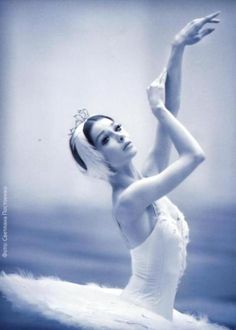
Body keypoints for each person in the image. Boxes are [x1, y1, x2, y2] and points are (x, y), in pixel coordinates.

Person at [0, 11, 228, 330]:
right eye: (107, 138)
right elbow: (194, 155)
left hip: (159, 316)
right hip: (140, 319)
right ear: (98, 157)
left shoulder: (146, 177)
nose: (120, 134)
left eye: (117, 127)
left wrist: (177, 48)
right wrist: (158, 109)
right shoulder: (130, 198)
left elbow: (170, 110)